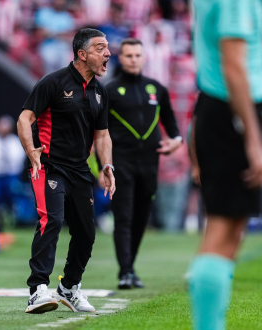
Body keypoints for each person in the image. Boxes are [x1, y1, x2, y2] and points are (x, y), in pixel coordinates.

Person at [17, 28, 115, 314]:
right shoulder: (54, 82)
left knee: (87, 232)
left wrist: (107, 165)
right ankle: (37, 290)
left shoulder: (100, 91)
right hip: (49, 166)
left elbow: (102, 136)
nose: (108, 53)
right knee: (52, 220)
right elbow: (25, 119)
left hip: (80, 170)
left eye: (107, 47)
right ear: (82, 54)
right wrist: (30, 149)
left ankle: (69, 288)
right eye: (100, 48)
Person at [189, 0, 262, 329]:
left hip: (222, 110)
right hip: (229, 112)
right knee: (222, 231)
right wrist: (252, 137)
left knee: (230, 230)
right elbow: (234, 66)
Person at [104, 38, 182, 289]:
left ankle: (130, 267)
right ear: (121, 58)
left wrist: (176, 141)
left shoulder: (156, 89)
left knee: (141, 218)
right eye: (128, 55)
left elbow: (171, 124)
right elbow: (98, 132)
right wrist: (102, 166)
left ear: (144, 57)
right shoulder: (110, 90)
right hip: (121, 162)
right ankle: (125, 271)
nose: (133, 59)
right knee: (124, 217)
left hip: (150, 162)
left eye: (138, 55)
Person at [0, 115, 26, 209]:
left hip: (12, 175)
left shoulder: (15, 141)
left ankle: (14, 215)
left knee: (14, 193)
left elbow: (19, 157)